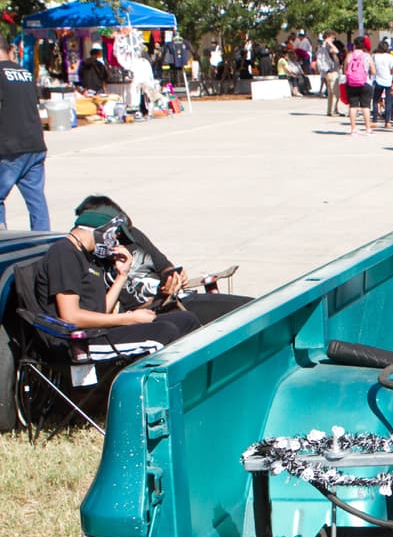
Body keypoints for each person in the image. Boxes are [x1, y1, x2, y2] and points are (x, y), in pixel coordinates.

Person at [32, 202, 201, 350]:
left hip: (100, 329)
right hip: (82, 341)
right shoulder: (64, 253)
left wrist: (122, 274)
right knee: (165, 331)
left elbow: (101, 310)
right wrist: (128, 319)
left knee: (186, 319)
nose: (114, 242)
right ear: (101, 231)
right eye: (113, 235)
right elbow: (71, 317)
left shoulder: (88, 256)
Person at [73, 195, 251, 325]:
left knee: (251, 308)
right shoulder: (90, 257)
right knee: (240, 317)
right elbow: (103, 311)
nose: (119, 237)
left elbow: (165, 267)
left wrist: (175, 278)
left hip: (177, 299)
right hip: (153, 312)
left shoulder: (132, 236)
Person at [0, 33, 50, 232]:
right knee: (36, 200)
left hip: (8, 148)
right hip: (34, 145)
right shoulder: (25, 73)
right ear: (10, 49)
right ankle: (44, 242)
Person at [345, 36, 374, 135]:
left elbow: (345, 70)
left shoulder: (349, 56)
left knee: (353, 106)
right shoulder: (367, 56)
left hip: (352, 83)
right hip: (365, 83)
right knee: (365, 107)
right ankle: (368, 129)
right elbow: (373, 71)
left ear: (354, 45)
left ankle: (353, 129)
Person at [371, 39, 393, 129]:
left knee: (375, 100)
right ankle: (387, 121)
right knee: (389, 101)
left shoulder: (374, 56)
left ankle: (374, 120)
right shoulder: (389, 57)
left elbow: (372, 68)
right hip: (388, 80)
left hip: (378, 79)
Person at [316, 31, 341, 115]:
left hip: (327, 71)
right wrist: (330, 43)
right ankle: (334, 111)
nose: (333, 39)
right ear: (328, 36)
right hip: (331, 71)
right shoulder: (327, 45)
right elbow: (336, 51)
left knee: (331, 94)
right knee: (335, 93)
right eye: (332, 37)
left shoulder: (321, 46)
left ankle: (330, 110)